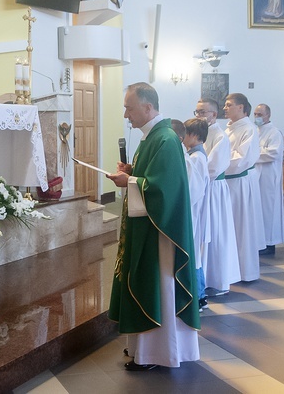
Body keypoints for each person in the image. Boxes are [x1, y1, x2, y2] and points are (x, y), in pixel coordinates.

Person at [107, 83, 199, 371]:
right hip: (148, 225)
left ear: (148, 108)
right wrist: (133, 174)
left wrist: (131, 183)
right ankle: (143, 350)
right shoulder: (151, 137)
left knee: (159, 286)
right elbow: (153, 177)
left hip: (162, 232)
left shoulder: (166, 139)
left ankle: (160, 353)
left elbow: (164, 190)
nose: (126, 114)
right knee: (148, 283)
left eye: (129, 108)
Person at [194, 99, 240, 295]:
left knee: (215, 232)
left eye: (203, 112)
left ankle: (218, 280)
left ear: (213, 114)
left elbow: (212, 166)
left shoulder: (220, 136)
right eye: (196, 111)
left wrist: (195, 171)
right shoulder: (200, 133)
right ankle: (204, 278)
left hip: (214, 189)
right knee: (204, 233)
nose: (198, 115)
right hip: (203, 186)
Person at [224, 93, 265, 282]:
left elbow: (240, 159)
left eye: (229, 104)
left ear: (241, 107)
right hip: (229, 181)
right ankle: (232, 269)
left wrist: (215, 162)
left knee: (242, 228)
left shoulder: (248, 128)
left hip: (240, 183)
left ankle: (246, 272)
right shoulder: (229, 129)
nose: (225, 108)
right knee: (231, 227)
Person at [180, 118, 211, 312]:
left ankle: (199, 296)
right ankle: (199, 295)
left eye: (186, 134)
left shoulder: (196, 158)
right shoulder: (194, 156)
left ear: (196, 136)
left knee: (194, 256)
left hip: (194, 211)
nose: (183, 138)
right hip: (194, 210)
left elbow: (194, 189)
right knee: (195, 255)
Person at [254, 104, 284, 256]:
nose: (257, 117)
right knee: (258, 210)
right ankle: (259, 241)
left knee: (268, 211)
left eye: (260, 114)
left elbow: (273, 153)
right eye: (255, 114)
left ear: (268, 115)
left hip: (268, 178)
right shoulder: (256, 131)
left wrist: (253, 154)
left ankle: (269, 242)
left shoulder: (274, 132)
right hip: (256, 176)